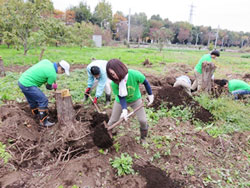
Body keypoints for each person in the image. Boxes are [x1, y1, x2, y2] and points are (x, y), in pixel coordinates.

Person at [106, 59, 154, 144]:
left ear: (119, 69)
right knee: (113, 120)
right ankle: (106, 139)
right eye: (111, 75)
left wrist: (150, 95)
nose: (114, 76)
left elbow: (145, 82)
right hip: (120, 101)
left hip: (135, 100)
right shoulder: (114, 83)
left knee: (143, 121)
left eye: (114, 73)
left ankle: (143, 138)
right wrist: (124, 110)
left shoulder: (134, 74)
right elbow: (121, 97)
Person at [18, 59, 70, 127]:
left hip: (22, 81)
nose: (61, 73)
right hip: (28, 84)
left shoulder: (46, 61)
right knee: (43, 100)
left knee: (32, 100)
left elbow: (43, 73)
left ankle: (37, 116)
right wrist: (53, 86)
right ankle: (43, 121)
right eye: (62, 72)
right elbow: (48, 87)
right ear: (60, 68)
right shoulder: (52, 74)